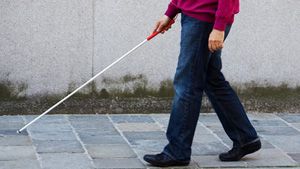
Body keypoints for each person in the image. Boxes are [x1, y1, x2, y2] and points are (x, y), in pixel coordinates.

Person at [143, 0, 261, 167]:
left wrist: (219, 26)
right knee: (211, 79)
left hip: (205, 20)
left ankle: (178, 151)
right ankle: (246, 138)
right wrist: (171, 11)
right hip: (198, 16)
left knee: (187, 83)